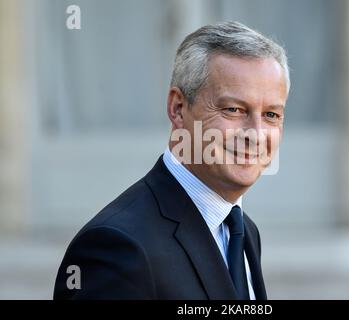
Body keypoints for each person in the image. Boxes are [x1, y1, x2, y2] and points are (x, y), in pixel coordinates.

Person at [54, 21, 290, 300]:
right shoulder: (116, 247)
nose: (256, 134)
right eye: (234, 110)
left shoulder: (243, 230)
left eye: (271, 115)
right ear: (178, 108)